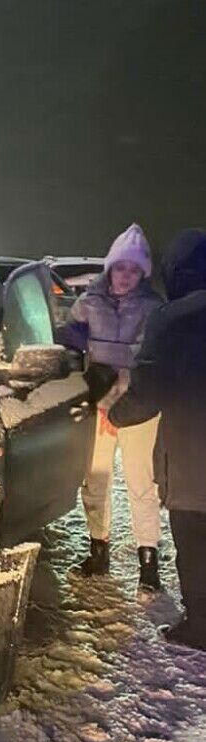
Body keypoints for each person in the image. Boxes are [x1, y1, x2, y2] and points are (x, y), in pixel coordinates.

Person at [111, 229, 206, 648]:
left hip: (192, 461)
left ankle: (200, 625)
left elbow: (147, 394)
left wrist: (115, 413)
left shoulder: (172, 320)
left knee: (195, 544)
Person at [62, 223, 164, 587]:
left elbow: (157, 363)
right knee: (96, 478)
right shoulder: (88, 303)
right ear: (110, 268)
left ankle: (148, 566)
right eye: (120, 267)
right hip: (98, 404)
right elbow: (70, 352)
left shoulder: (155, 310)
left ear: (143, 273)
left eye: (134, 269)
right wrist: (85, 391)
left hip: (137, 407)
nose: (125, 276)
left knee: (141, 482)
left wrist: (125, 392)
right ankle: (98, 551)